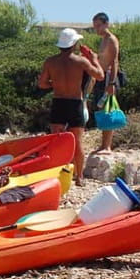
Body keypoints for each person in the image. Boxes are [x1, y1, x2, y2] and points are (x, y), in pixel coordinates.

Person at [38, 28, 104, 186]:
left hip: (59, 102)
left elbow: (41, 83)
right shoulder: (81, 61)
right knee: (77, 142)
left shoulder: (50, 62)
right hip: (75, 103)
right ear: (73, 44)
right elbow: (100, 75)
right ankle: (79, 177)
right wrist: (94, 58)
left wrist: (56, 84)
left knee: (56, 142)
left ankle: (55, 176)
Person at [90, 12, 122, 155]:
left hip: (109, 78)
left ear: (106, 24)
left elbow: (115, 62)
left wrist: (112, 83)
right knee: (101, 110)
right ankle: (103, 145)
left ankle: (107, 146)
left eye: (98, 25)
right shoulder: (103, 40)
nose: (96, 29)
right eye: (94, 26)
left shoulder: (111, 40)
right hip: (101, 77)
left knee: (108, 110)